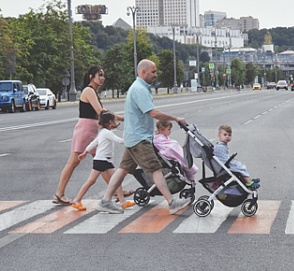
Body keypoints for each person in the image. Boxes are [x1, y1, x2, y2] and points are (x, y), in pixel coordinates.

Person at [95, 59, 191, 214]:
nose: (155, 74)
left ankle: (105, 201)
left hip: (134, 137)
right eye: (153, 71)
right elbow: (152, 113)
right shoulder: (139, 89)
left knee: (122, 170)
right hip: (139, 139)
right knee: (156, 168)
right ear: (143, 72)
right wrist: (175, 118)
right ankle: (172, 203)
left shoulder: (140, 88)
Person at [53, 65, 125, 205]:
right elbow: (101, 112)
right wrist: (120, 118)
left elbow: (102, 113)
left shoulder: (94, 92)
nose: (102, 78)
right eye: (100, 75)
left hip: (91, 130)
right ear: (91, 77)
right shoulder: (88, 90)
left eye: (103, 75)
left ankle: (116, 191)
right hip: (85, 130)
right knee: (74, 162)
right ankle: (59, 193)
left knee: (102, 162)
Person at [72, 110, 135, 211]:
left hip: (104, 160)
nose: (115, 122)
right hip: (102, 161)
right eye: (114, 121)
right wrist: (131, 139)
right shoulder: (107, 133)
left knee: (116, 179)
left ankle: (123, 202)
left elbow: (93, 143)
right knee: (92, 181)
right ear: (109, 122)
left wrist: (85, 152)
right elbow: (119, 140)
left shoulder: (103, 133)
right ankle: (77, 200)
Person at [213, 124, 260, 189]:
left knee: (239, 165)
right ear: (219, 136)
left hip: (224, 165)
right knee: (240, 167)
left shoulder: (222, 145)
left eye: (229, 135)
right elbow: (223, 159)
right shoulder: (220, 147)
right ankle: (248, 182)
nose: (227, 137)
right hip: (224, 167)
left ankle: (248, 179)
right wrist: (232, 162)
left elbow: (224, 156)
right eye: (225, 135)